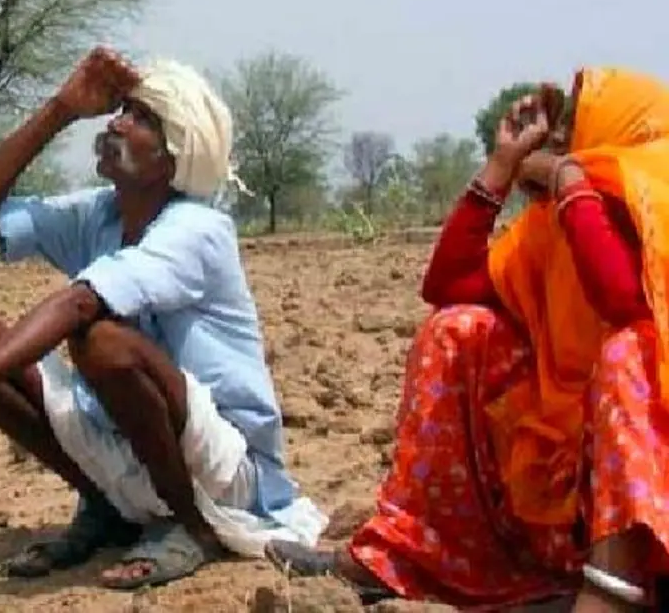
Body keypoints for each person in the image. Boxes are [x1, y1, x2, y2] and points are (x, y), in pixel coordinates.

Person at [0, 46, 327, 590]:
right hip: (129, 446)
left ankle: (189, 525)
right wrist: (61, 109)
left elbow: (81, 303)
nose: (116, 123)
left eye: (141, 119)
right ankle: (107, 506)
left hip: (226, 469)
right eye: (123, 110)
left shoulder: (197, 228)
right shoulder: (101, 212)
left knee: (101, 343)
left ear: (172, 158)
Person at [265, 66, 669, 611]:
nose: (558, 142)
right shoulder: (554, 232)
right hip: (567, 503)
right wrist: (500, 168)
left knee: (629, 349)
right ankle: (410, 557)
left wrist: (573, 183)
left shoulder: (654, 212)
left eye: (574, 127)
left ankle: (616, 590)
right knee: (456, 331)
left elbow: (623, 300)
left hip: (650, 519)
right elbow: (449, 284)